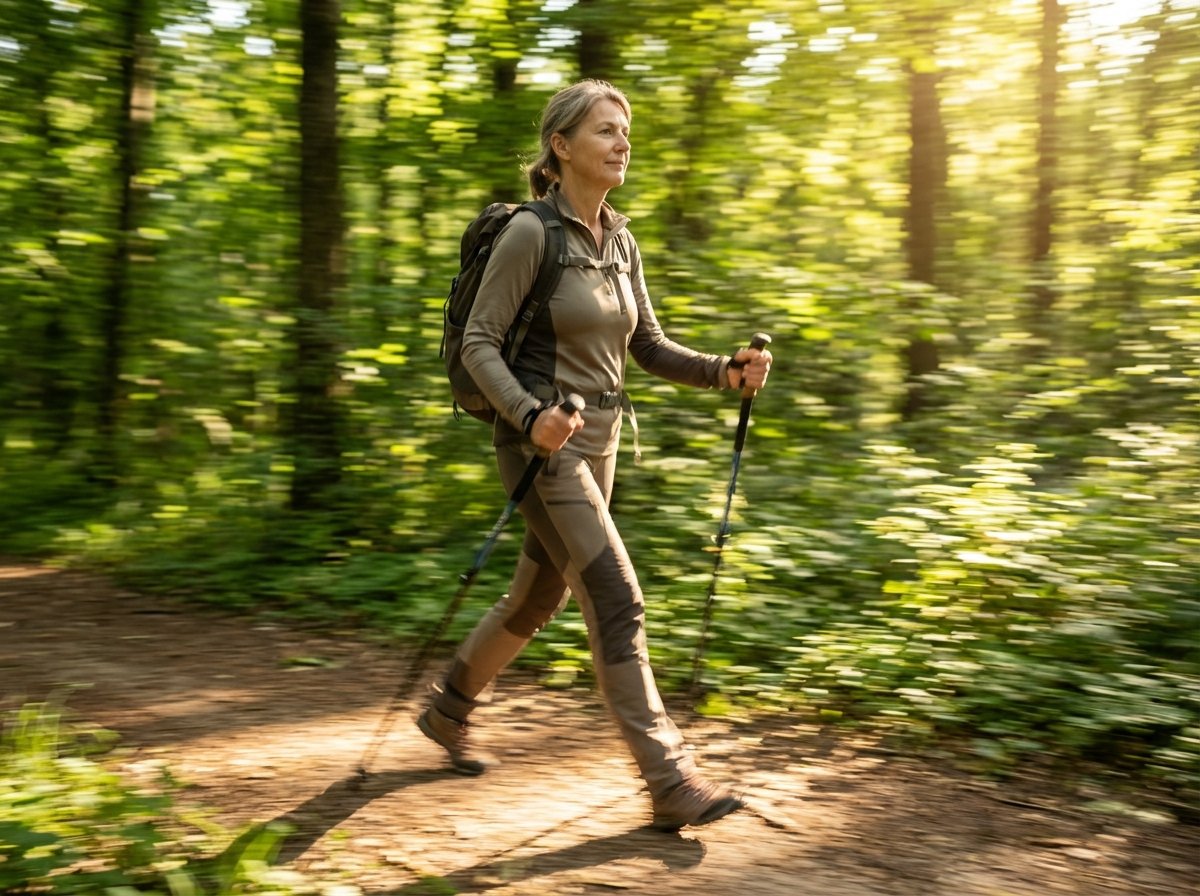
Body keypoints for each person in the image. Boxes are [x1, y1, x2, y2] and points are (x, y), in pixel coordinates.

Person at [418, 79, 772, 832]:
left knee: (539, 596)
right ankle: (669, 778)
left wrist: (722, 369)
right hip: (541, 446)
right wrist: (528, 414)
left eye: (627, 132)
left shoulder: (619, 239)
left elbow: (644, 343)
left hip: (602, 444)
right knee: (614, 595)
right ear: (561, 146)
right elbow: (480, 343)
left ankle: (448, 710)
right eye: (606, 131)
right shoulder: (531, 234)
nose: (622, 143)